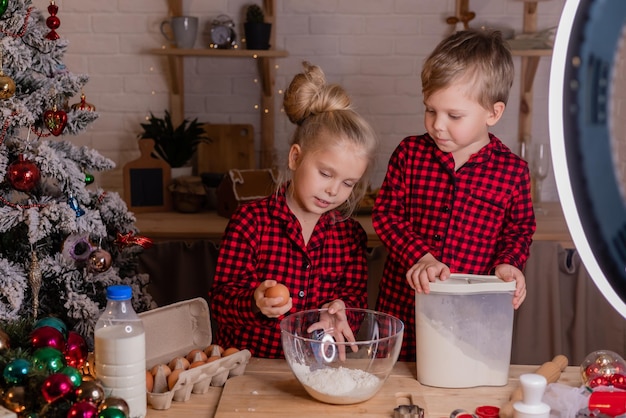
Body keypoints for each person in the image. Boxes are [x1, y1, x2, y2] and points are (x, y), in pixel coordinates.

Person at [372, 29, 536, 362]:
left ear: (493, 113)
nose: (438, 125)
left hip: (470, 316)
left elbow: (518, 230)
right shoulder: (409, 153)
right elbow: (386, 214)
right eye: (431, 110)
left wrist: (509, 264)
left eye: (454, 116)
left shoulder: (513, 172)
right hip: (401, 307)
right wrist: (420, 255)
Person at [210, 61, 379, 359]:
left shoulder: (350, 235)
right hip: (251, 368)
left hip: (314, 370)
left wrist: (338, 313)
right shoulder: (250, 223)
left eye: (348, 183)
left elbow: (353, 301)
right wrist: (254, 301)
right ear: (295, 157)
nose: (333, 190)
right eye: (325, 174)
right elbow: (220, 302)